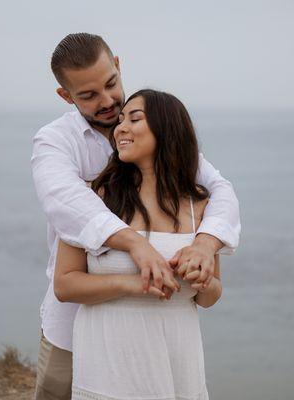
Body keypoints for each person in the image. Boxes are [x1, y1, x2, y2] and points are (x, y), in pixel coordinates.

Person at [31, 33, 240, 399]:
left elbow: (219, 191)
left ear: (118, 64)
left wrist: (206, 245)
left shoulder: (162, 136)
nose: (109, 101)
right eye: (88, 95)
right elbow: (65, 202)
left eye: (111, 84)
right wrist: (135, 246)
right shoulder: (56, 142)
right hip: (73, 330)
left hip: (166, 349)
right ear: (66, 96)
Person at [54, 89, 222, 400]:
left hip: (178, 361)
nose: (120, 128)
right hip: (109, 363)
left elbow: (210, 297)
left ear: (167, 128)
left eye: (135, 118)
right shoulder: (94, 198)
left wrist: (204, 280)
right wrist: (135, 283)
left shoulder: (199, 205)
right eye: (120, 121)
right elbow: (64, 286)